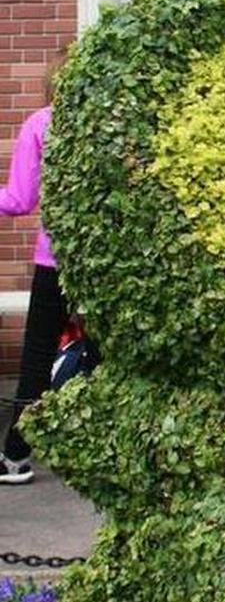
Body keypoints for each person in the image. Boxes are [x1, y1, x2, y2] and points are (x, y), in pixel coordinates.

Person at [0, 52, 70, 485]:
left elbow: (20, 200)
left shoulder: (40, 124)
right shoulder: (116, 124)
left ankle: (15, 457)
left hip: (55, 258)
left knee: (39, 354)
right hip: (106, 262)